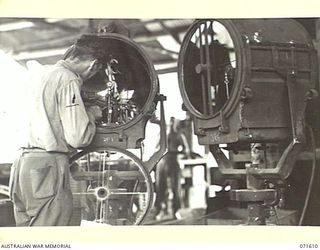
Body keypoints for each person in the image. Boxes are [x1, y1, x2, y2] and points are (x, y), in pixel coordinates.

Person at [9, 36, 103, 226]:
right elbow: (78, 137)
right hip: (46, 167)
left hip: (21, 166)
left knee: (28, 239)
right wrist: (91, 114)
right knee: (49, 237)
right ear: (93, 65)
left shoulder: (41, 73)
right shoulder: (67, 79)